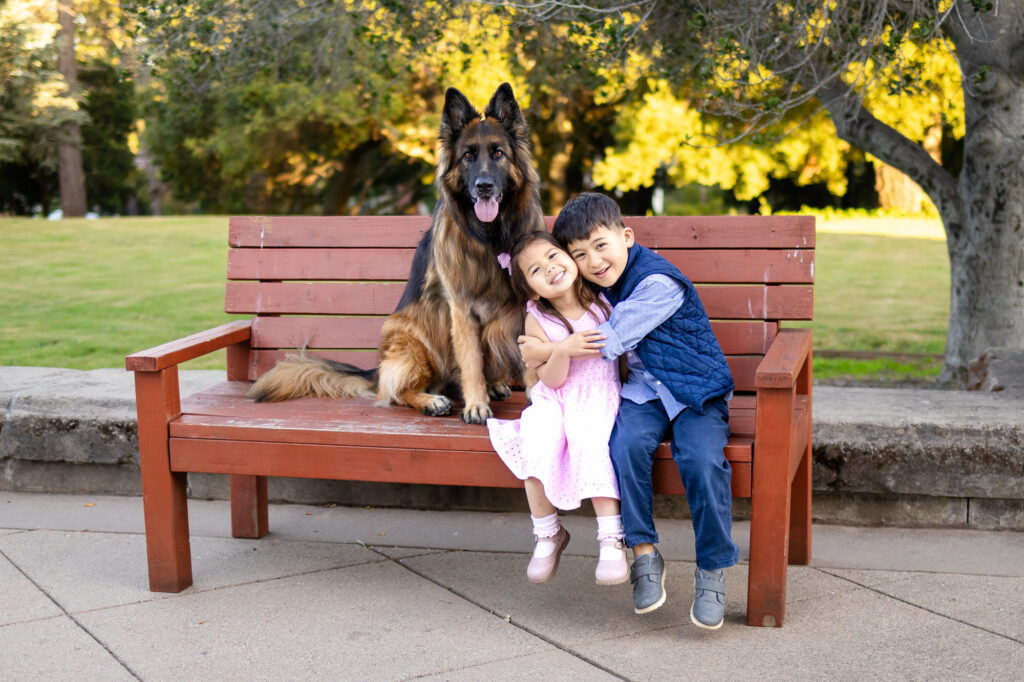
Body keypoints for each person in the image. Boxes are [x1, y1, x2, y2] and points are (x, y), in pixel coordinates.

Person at [522, 192, 737, 630]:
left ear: (626, 236)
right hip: (644, 392)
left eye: (601, 246)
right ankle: (642, 552)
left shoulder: (657, 282)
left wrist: (545, 348)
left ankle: (712, 569)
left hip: (695, 391)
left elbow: (607, 340)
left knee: (700, 460)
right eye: (579, 254)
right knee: (623, 447)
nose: (594, 261)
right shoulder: (599, 286)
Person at [486, 230, 629, 586]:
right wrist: (562, 349)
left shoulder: (603, 300)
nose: (549, 268)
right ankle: (548, 533)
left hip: (598, 394)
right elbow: (550, 380)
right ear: (533, 290)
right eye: (535, 270)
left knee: (591, 441)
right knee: (537, 441)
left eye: (552, 257)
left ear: (568, 256)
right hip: (555, 396)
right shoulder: (537, 317)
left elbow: (622, 357)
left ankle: (611, 538)